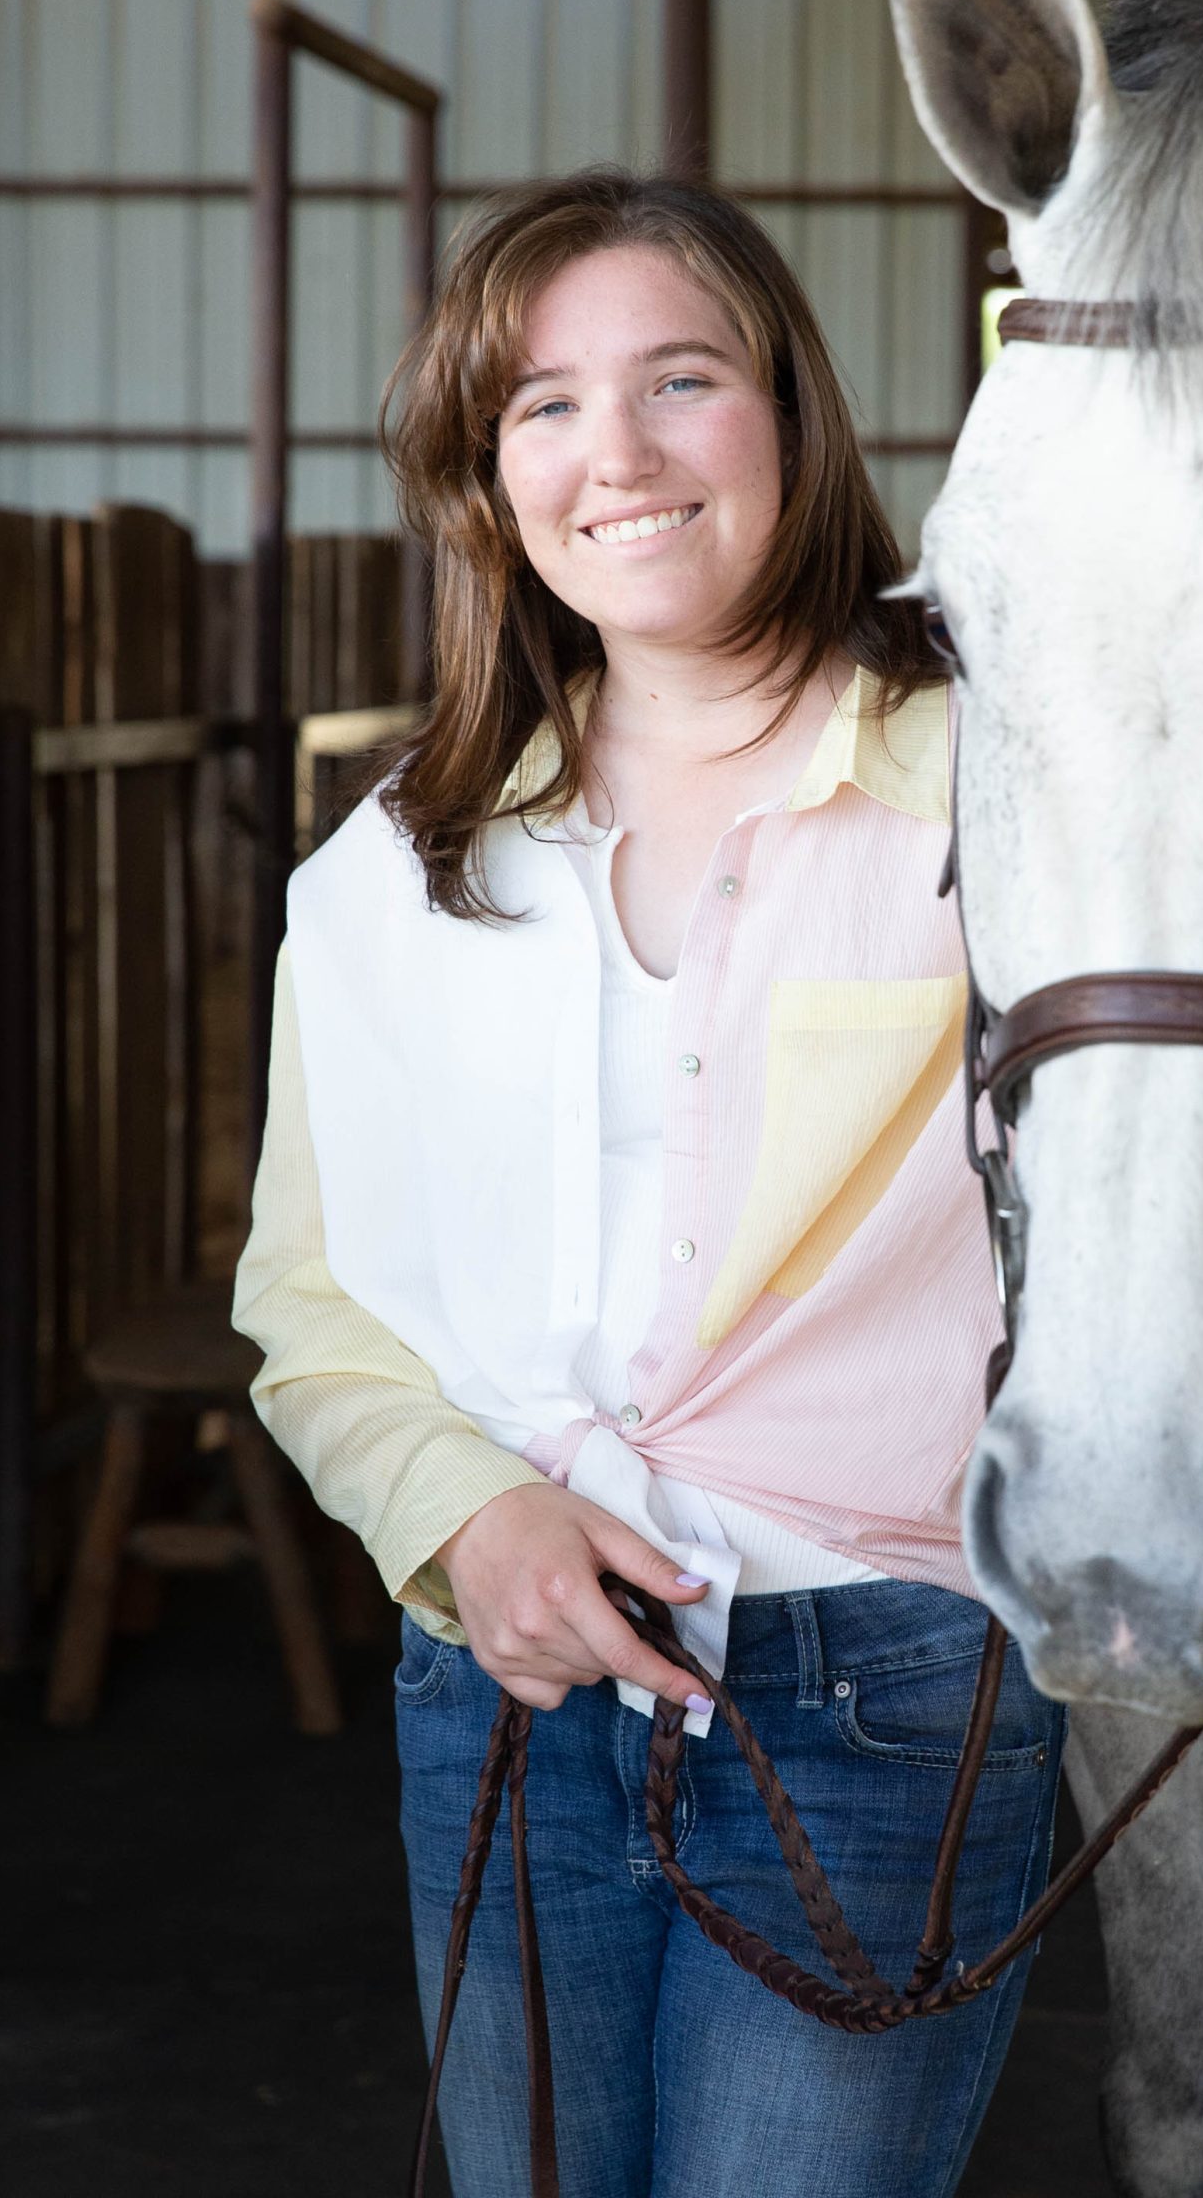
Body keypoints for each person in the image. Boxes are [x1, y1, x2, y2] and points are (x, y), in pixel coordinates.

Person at [232, 170, 1066, 2198]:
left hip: (877, 1685)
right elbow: (311, 1307)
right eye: (543, 404)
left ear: (788, 412)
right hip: (507, 1693)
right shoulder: (394, 870)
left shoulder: (1021, 799)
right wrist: (463, 1515)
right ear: (486, 473)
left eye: (679, 379)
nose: (613, 451)